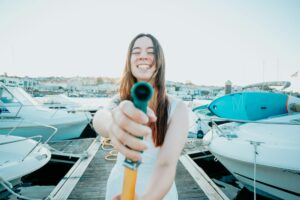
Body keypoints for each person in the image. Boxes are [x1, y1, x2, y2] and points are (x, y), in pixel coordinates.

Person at [93, 33, 189, 200]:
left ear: (160, 61)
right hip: (118, 188)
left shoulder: (178, 108)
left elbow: (166, 164)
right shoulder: (119, 101)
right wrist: (113, 124)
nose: (143, 56)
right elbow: (101, 117)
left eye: (150, 52)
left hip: (159, 193)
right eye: (136, 52)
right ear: (129, 62)